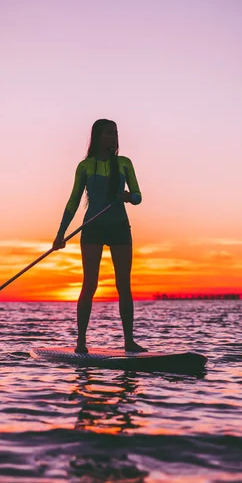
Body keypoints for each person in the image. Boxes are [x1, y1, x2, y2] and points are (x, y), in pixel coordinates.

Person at [52, 119, 147, 354]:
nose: (114, 137)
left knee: (123, 285)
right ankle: (81, 342)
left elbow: (138, 196)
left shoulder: (124, 164)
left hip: (119, 228)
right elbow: (73, 201)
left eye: (116, 133)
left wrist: (128, 197)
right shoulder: (85, 166)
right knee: (89, 284)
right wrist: (60, 233)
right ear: (97, 137)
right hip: (93, 228)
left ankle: (129, 342)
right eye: (109, 133)